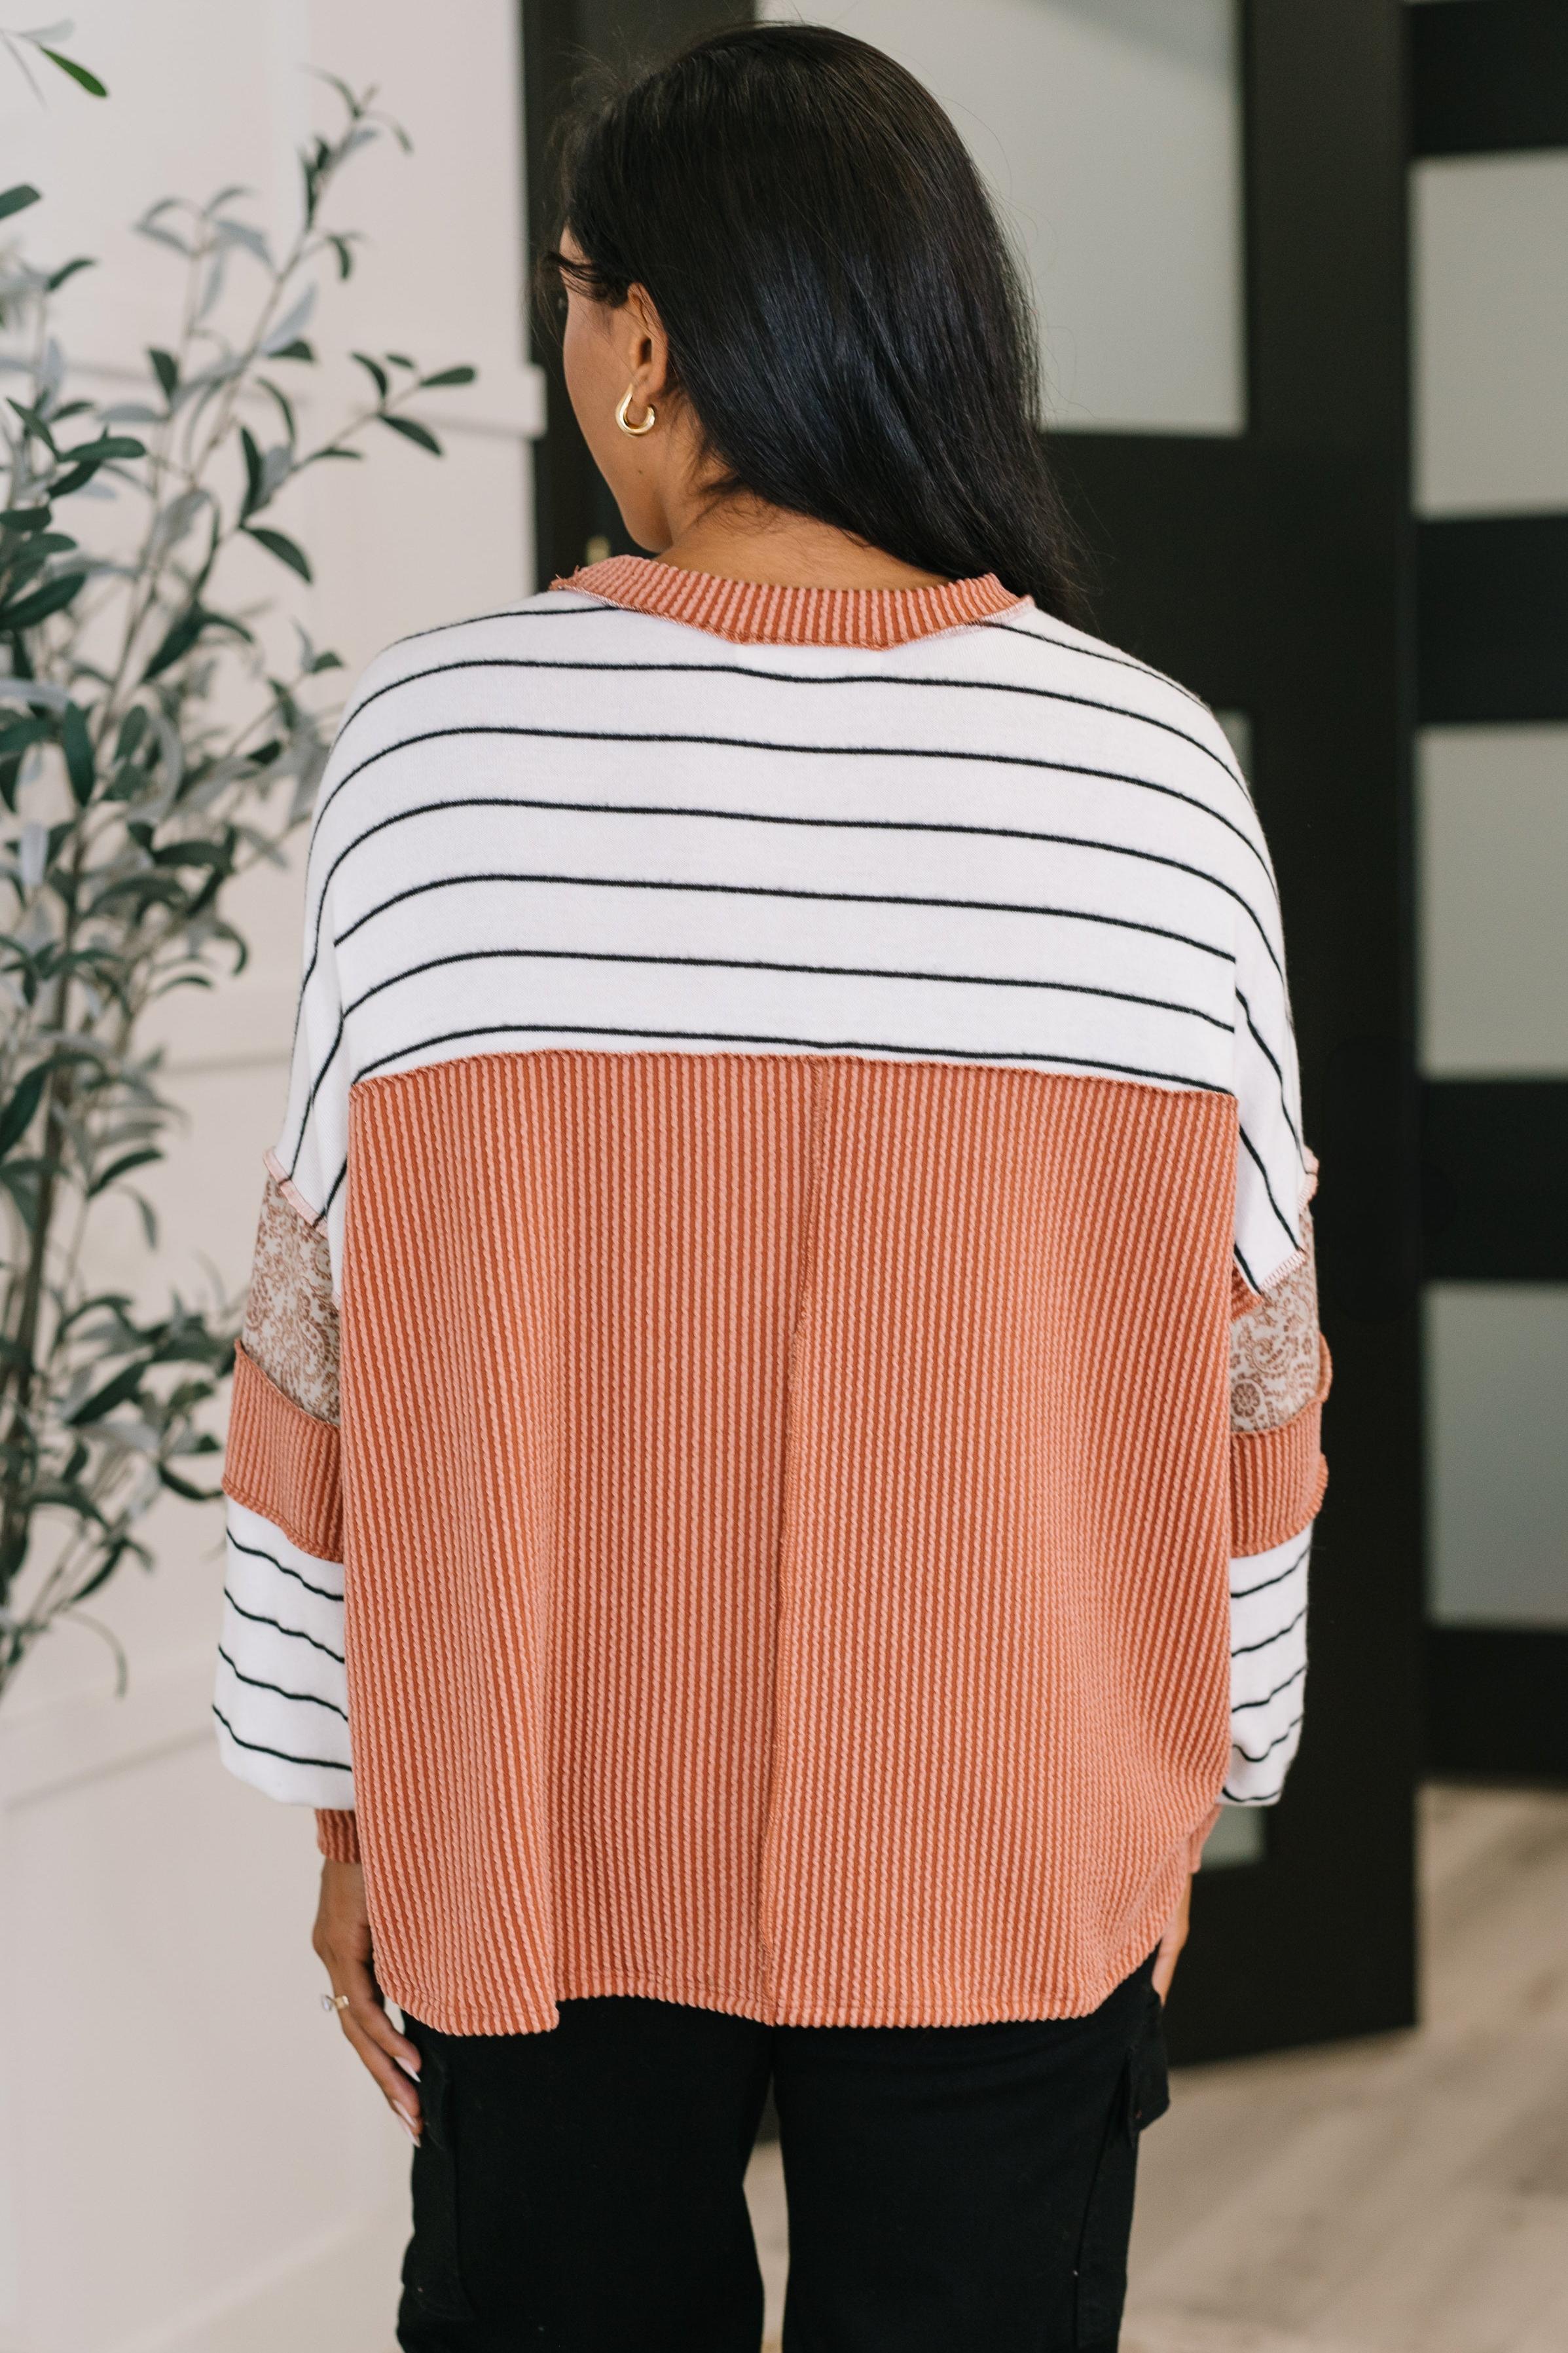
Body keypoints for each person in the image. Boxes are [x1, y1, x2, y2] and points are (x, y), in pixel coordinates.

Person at [213, 22, 1328, 2350]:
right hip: (1009, 1813)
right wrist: (1198, 1772)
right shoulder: (1148, 771)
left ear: (641, 338)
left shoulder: (436, 745)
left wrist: (350, 1804)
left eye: (569, 297)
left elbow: (323, 1338)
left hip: (537, 1818)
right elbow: (1249, 1366)